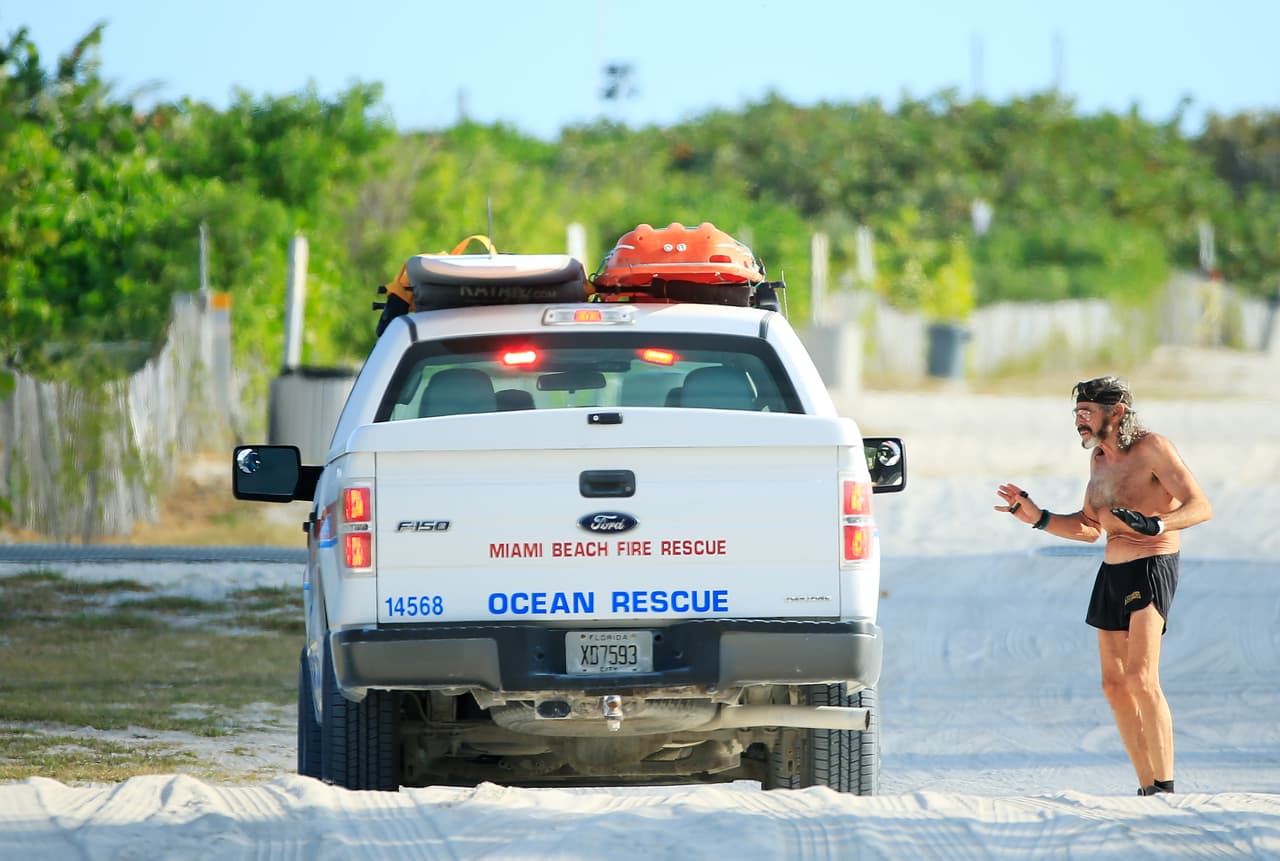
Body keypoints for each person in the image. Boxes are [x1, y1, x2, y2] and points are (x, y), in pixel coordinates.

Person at [994, 375, 1212, 796]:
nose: (1079, 421)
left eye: (1087, 412)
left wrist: (1157, 523)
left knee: (1142, 677)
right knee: (1113, 685)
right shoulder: (1099, 460)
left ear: (1117, 412)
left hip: (1152, 564)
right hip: (1112, 573)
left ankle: (1165, 786)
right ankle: (1147, 787)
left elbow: (1201, 505)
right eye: (1077, 413)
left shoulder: (1152, 448)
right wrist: (1037, 517)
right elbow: (1089, 528)